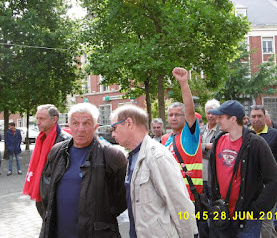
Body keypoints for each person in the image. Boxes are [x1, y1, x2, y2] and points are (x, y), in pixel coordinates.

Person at [39, 102, 127, 238]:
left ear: (95, 127)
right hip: (58, 232)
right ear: (69, 126)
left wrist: (100, 218)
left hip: (96, 233)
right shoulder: (57, 151)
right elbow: (46, 190)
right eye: (75, 123)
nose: (80, 129)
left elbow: (121, 200)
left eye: (86, 123)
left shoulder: (112, 156)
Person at [111, 104, 198, 238]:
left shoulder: (157, 156)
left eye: (115, 127)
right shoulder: (135, 155)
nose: (112, 134)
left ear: (129, 123)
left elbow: (180, 203)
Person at [209, 100, 277, 237]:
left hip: (246, 221)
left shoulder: (256, 143)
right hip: (222, 216)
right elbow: (213, 178)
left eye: (221, 117)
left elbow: (276, 183)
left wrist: (255, 211)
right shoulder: (218, 141)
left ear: (232, 119)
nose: (216, 120)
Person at [161, 67, 203, 200]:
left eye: (178, 114)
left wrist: (183, 83)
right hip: (170, 198)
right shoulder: (165, 139)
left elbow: (190, 110)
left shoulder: (189, 136)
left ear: (185, 116)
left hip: (189, 199)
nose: (173, 118)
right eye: (170, 115)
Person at [23, 104, 71, 214]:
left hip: (56, 198)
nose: (38, 122)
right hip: (42, 194)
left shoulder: (65, 141)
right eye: (37, 118)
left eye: (42, 119)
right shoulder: (41, 138)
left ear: (54, 119)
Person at [250, 105, 277, 238]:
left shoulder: (275, 134)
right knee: (250, 222)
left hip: (267, 187)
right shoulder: (245, 134)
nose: (256, 119)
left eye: (259, 116)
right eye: (253, 116)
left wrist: (272, 176)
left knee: (266, 224)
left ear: (265, 117)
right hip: (249, 186)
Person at [200, 98, 220, 201]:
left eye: (213, 113)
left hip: (214, 174)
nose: (210, 116)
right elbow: (194, 149)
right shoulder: (201, 130)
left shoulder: (221, 131)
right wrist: (206, 146)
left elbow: (217, 150)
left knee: (214, 202)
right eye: (208, 113)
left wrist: (202, 148)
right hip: (200, 174)